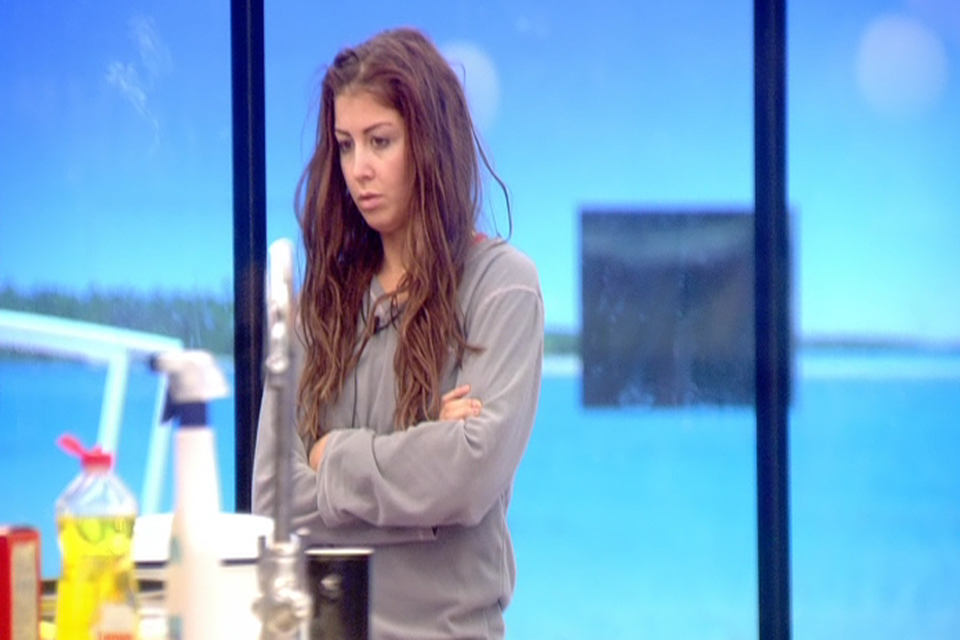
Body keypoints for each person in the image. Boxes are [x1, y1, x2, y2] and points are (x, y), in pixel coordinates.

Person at [252, 26, 544, 640]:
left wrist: (331, 456)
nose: (359, 169)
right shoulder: (320, 306)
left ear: (430, 143)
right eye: (345, 145)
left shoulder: (503, 287)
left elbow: (466, 477)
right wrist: (420, 462)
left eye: (380, 141)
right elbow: (275, 503)